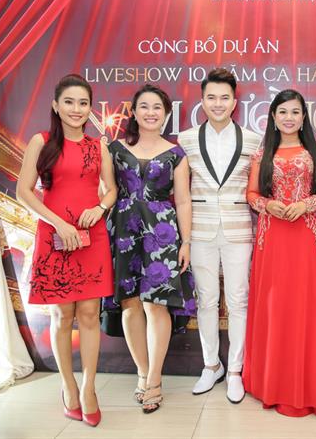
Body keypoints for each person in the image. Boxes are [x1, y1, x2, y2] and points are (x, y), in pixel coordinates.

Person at [16, 74, 115, 427]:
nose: (76, 109)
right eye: (69, 102)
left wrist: (100, 208)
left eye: (83, 103)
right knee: (62, 317)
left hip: (91, 237)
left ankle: (88, 389)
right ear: (56, 106)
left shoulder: (98, 146)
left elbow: (111, 190)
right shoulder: (41, 142)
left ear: (90, 108)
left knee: (89, 315)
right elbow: (24, 191)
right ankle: (68, 386)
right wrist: (59, 223)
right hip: (55, 237)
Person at [243, 89, 316, 417]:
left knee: (305, 307)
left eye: (295, 112)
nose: (289, 118)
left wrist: (306, 204)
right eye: (282, 112)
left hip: (307, 238)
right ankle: (273, 385)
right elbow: (251, 193)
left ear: (303, 116)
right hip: (272, 238)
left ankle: (308, 387)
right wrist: (268, 204)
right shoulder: (262, 154)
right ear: (272, 116)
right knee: (275, 308)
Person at [102, 84, 196, 413]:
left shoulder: (176, 154)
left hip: (162, 233)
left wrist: (186, 242)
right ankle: (142, 373)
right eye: (144, 106)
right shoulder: (114, 149)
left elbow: (183, 201)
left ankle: (155, 378)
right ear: (134, 111)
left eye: (157, 107)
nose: (151, 112)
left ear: (166, 113)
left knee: (157, 306)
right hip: (124, 232)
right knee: (130, 304)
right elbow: (107, 191)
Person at [177, 68, 262, 403]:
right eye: (211, 97)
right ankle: (211, 365)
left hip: (240, 229)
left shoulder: (253, 140)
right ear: (202, 100)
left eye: (224, 98)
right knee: (207, 300)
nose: (217, 103)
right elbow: (181, 192)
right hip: (200, 230)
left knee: (239, 300)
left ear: (234, 102)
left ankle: (236, 370)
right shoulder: (185, 140)